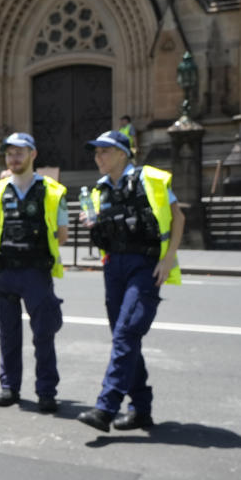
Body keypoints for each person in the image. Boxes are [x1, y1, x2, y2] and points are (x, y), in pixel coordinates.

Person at [76, 130, 184, 432]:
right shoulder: (98, 190)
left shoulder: (149, 179)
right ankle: (141, 409)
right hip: (115, 267)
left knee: (126, 333)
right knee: (125, 338)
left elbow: (178, 217)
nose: (98, 157)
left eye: (104, 152)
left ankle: (105, 408)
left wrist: (168, 258)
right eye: (96, 152)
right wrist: (92, 222)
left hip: (145, 265)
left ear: (122, 153)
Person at [0, 133, 69, 413]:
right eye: (9, 154)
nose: (13, 158)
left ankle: (46, 392)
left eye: (19, 152)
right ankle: (10, 387)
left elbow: (61, 235)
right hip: (4, 273)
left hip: (36, 274)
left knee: (43, 335)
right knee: (8, 334)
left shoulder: (52, 191)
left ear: (33, 155)